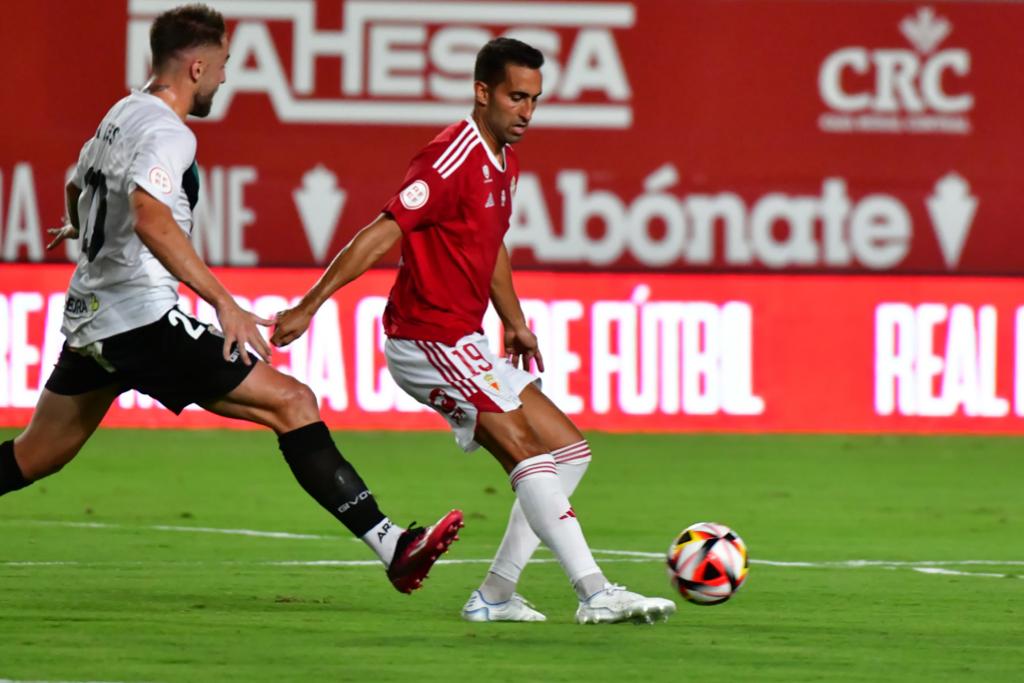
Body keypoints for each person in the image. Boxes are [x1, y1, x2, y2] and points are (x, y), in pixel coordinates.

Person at [0, 3, 462, 595]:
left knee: (36, 455)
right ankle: (393, 545)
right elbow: (150, 219)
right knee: (293, 401)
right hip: (139, 319)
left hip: (92, 323)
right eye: (221, 66)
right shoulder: (170, 132)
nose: (224, 78)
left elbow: (78, 181)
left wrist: (80, 226)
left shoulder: (121, 114)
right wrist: (223, 302)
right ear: (195, 67)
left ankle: (393, 544)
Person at [272, 37, 675, 624]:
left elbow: (490, 244)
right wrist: (310, 305)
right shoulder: (449, 158)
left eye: (535, 100)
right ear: (482, 92)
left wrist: (514, 321)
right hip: (427, 340)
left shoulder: (502, 160)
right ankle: (595, 592)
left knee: (568, 451)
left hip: (466, 338)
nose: (527, 112)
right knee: (526, 453)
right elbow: (384, 232)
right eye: (516, 97)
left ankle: (495, 596)